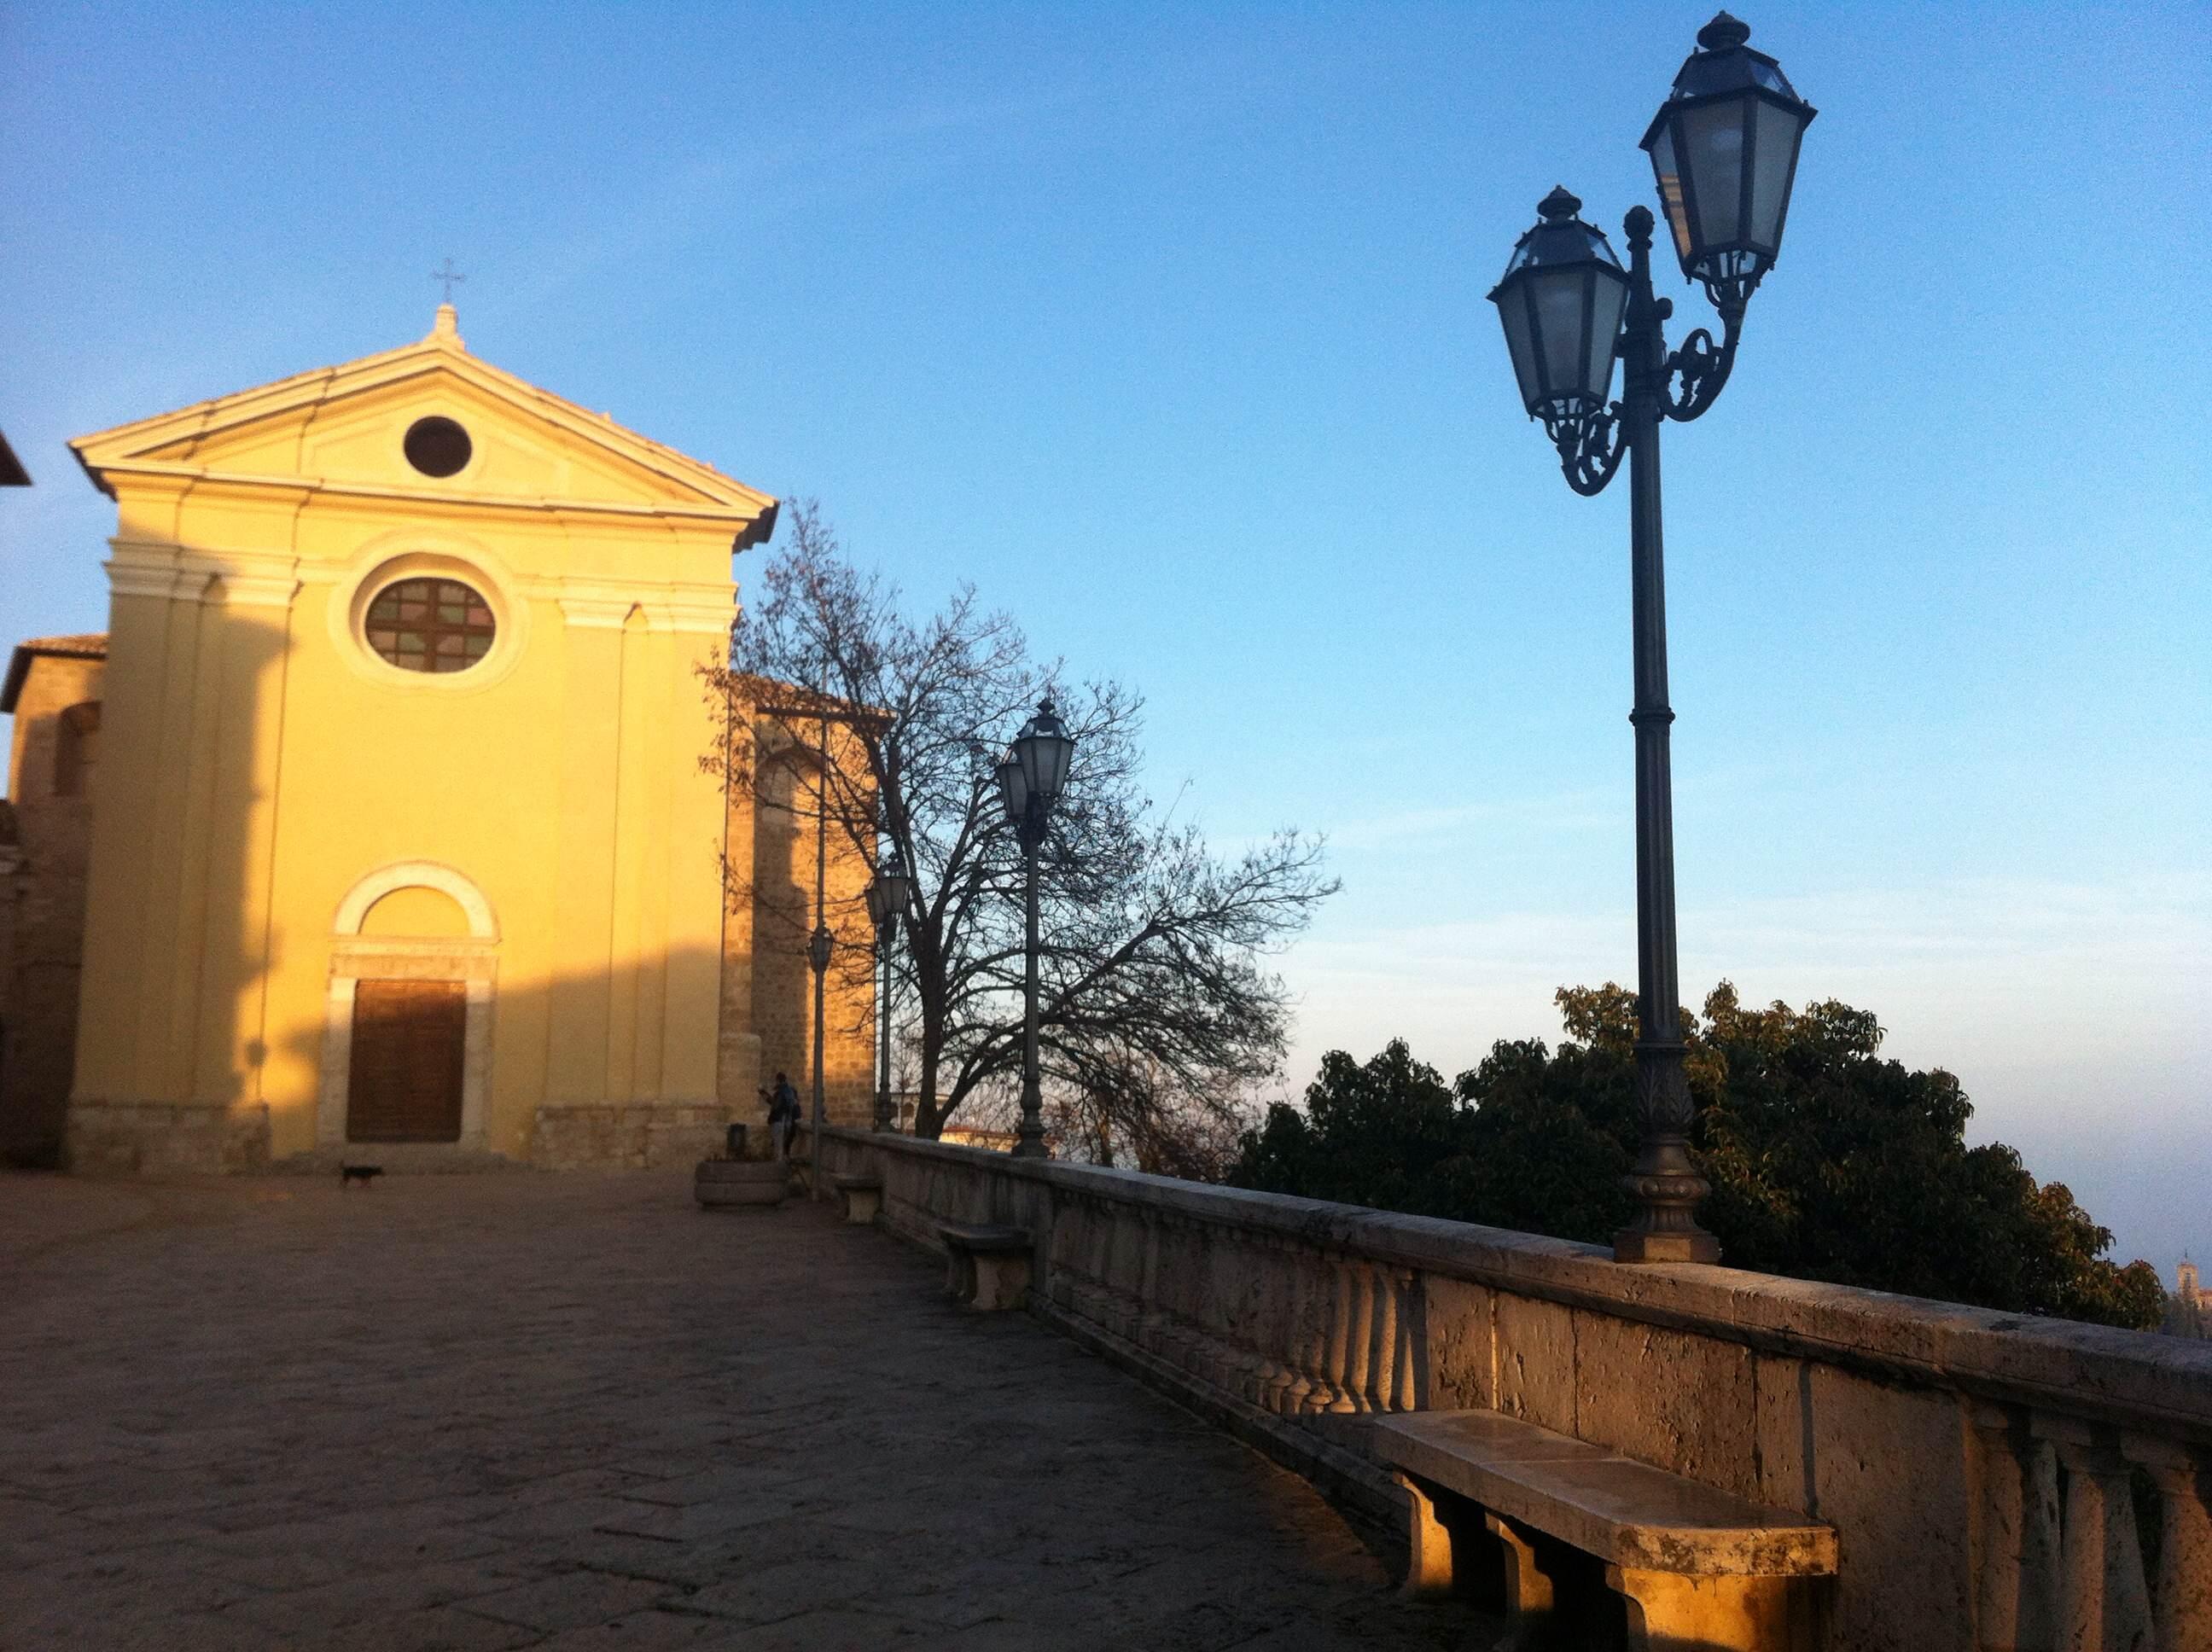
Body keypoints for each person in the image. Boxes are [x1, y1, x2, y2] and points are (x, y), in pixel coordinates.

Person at [765, 1071, 801, 1161]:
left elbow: (776, 1106)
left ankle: (778, 1166)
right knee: (783, 1143)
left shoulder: (781, 1092)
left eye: (776, 1081)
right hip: (788, 1121)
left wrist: (765, 1097)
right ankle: (782, 1162)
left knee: (778, 1145)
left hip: (779, 1120)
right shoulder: (791, 1091)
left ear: (778, 1080)